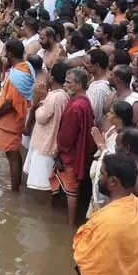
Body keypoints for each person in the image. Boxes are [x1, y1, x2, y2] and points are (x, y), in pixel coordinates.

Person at [70, 153, 138, 275]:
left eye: (102, 174)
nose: (99, 178)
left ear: (113, 181)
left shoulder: (108, 223)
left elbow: (94, 274)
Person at [0, 40, 35, 192]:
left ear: (10, 53)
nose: (3, 55)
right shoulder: (26, 66)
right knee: (14, 151)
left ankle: (14, 190)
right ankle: (17, 183)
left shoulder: (18, 74)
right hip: (17, 116)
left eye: (5, 52)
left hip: (11, 118)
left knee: (12, 153)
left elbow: (10, 102)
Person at [54, 67, 97, 226]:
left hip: (71, 154)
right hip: (80, 151)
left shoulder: (76, 106)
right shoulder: (84, 101)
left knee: (71, 190)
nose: (65, 84)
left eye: (68, 82)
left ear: (79, 85)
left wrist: (58, 149)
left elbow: (66, 136)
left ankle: (70, 224)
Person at [24, 62, 69, 193]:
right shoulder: (62, 95)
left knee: (43, 184)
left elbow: (41, 117)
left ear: (52, 78)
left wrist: (40, 101)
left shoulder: (55, 97)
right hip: (49, 141)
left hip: (46, 144)